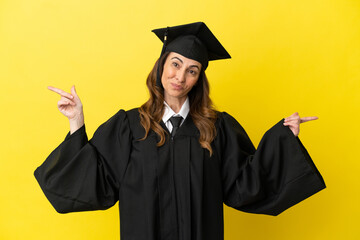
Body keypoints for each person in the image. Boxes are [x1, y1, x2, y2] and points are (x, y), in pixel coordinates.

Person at [34, 22, 326, 240]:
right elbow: (96, 178)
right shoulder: (128, 126)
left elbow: (245, 182)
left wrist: (283, 139)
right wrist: (76, 121)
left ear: (199, 78)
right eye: (175, 64)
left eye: (192, 70)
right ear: (161, 66)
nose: (180, 76)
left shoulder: (217, 128)